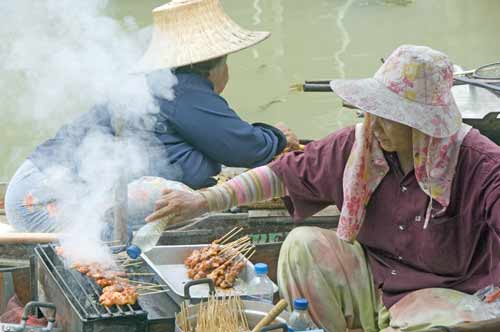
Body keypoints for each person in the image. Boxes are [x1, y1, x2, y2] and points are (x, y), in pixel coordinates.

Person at [146, 45, 500, 331]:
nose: (372, 123)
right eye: (370, 112)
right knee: (303, 246)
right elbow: (282, 175)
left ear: (421, 124)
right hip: (376, 281)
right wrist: (203, 200)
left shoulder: (480, 164)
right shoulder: (360, 146)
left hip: (449, 298)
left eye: (388, 116)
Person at [4, 0, 298, 233]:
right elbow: (245, 148)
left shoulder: (164, 83)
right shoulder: (183, 87)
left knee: (190, 186)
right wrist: (278, 137)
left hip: (32, 194)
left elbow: (211, 147)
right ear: (218, 63)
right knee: (175, 195)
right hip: (42, 203)